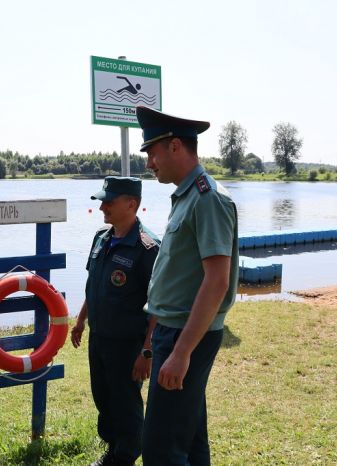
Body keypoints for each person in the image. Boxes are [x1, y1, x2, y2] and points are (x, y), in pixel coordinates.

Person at [136, 106, 239, 466]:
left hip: (184, 336)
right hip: (174, 331)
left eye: (152, 152)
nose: (150, 162)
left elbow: (217, 281)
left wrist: (181, 353)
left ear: (175, 146)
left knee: (161, 450)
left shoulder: (208, 198)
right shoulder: (187, 195)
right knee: (191, 440)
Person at [71, 176, 160, 466]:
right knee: (103, 397)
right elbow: (92, 284)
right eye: (102, 202)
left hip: (127, 343)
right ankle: (113, 448)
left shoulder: (148, 249)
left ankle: (125, 456)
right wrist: (81, 320)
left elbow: (158, 305)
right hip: (99, 336)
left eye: (109, 202)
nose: (102, 208)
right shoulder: (101, 238)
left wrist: (147, 351)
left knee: (126, 402)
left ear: (131, 204)